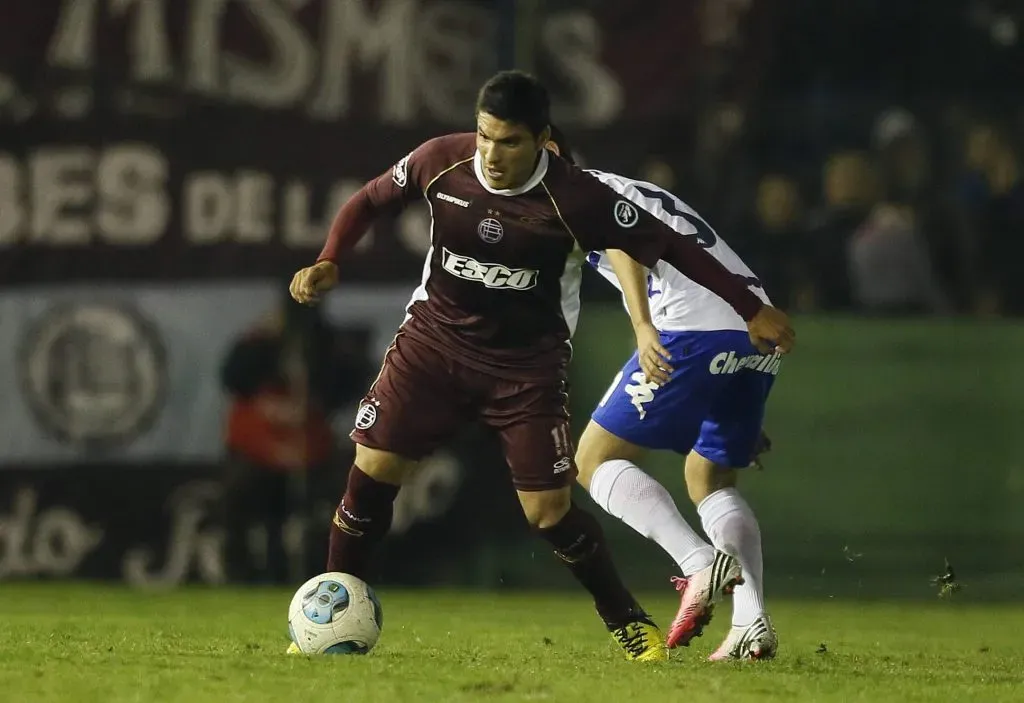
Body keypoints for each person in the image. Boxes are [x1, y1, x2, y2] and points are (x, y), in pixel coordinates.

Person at [288, 70, 794, 660]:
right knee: (372, 467)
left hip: (525, 368)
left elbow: (666, 247)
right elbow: (369, 198)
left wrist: (749, 309)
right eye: (484, 137)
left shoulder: (578, 196)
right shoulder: (441, 161)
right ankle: (330, 605)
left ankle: (629, 620)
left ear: (542, 141)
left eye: (508, 142)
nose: (492, 154)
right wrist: (329, 259)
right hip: (433, 345)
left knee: (551, 508)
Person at [544, 129, 781, 660]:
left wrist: (643, 327)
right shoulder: (622, 186)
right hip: (752, 326)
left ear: (550, 151)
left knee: (592, 460)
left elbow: (619, 242)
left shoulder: (576, 192)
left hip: (690, 327)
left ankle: (698, 564)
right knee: (709, 474)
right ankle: (752, 622)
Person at [220, 287, 371, 583]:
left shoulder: (327, 347)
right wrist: (268, 341)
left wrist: (318, 395)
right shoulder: (258, 342)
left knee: (343, 499)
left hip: (309, 453)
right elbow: (232, 377)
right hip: (258, 453)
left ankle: (332, 570)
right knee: (238, 496)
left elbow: (350, 382)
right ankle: (240, 573)